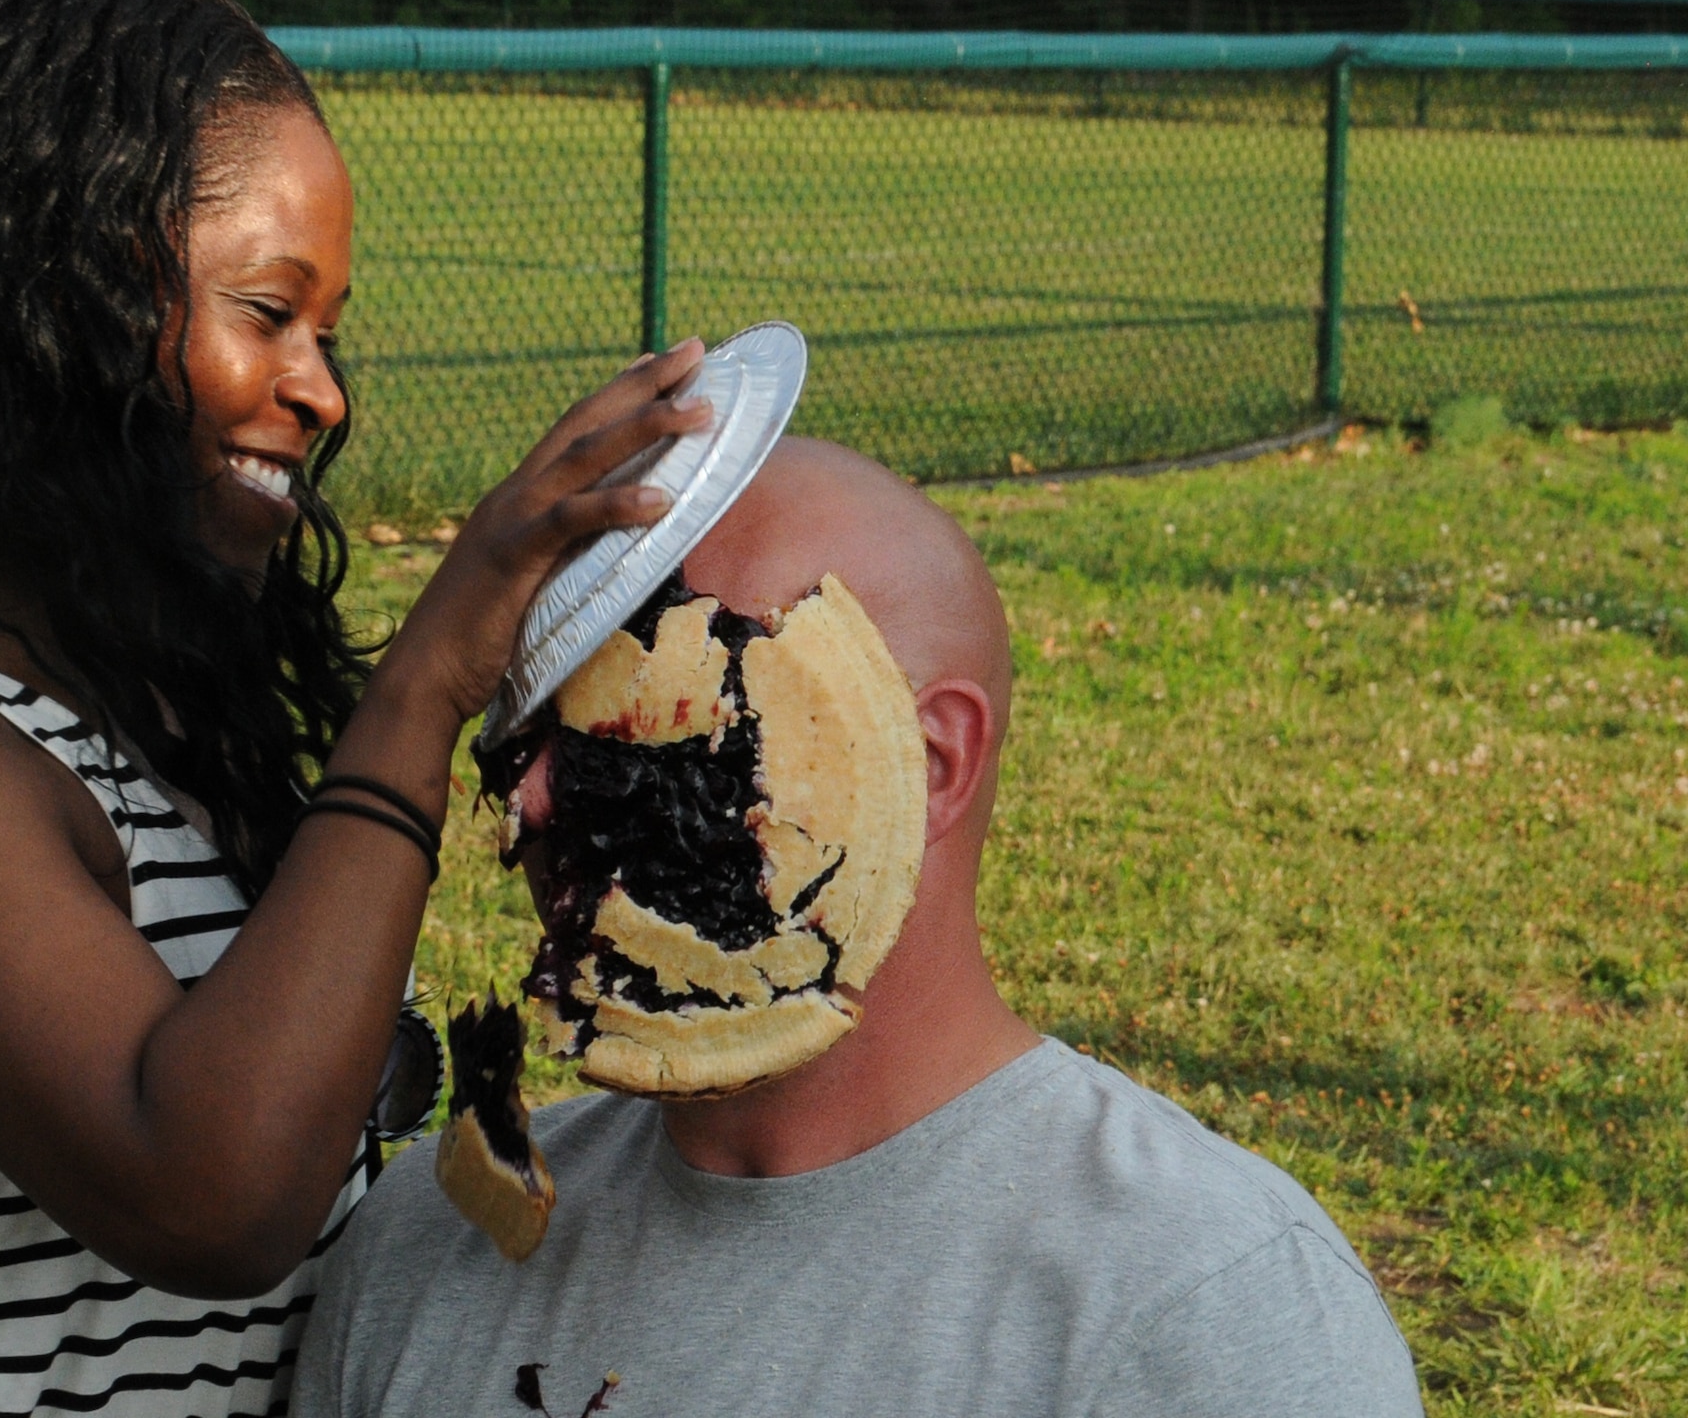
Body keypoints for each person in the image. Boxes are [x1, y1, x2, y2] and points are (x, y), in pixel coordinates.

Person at [0, 0, 713, 1417]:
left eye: (333, 332)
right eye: (267, 313)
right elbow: (210, 1195)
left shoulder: (149, 698)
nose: (324, 389)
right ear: (44, 301)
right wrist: (424, 680)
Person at [293, 438, 1425, 1418]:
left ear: (926, 764)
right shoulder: (429, 1248)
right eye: (521, 745)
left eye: (643, 730)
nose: (531, 802)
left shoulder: (1200, 1313)